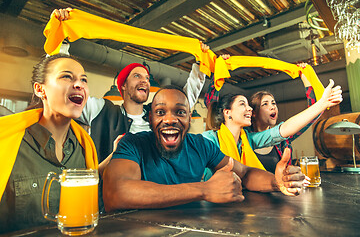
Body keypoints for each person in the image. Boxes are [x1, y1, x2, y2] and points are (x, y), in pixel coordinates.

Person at [102, 85, 308, 212]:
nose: (170, 119)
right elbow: (115, 193)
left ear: (189, 118)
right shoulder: (133, 144)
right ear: (150, 118)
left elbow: (244, 173)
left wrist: (276, 181)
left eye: (180, 112)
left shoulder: (200, 145)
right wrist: (204, 190)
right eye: (160, 112)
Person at [52, 8, 209, 164]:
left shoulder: (155, 115)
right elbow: (63, 93)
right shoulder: (102, 110)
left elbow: (185, 99)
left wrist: (200, 64)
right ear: (124, 86)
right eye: (137, 76)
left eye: (147, 78)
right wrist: (62, 40)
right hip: (110, 187)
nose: (144, 81)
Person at [0, 54, 98, 233]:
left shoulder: (86, 148)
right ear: (40, 89)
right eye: (66, 76)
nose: (79, 84)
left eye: (84, 79)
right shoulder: (7, 146)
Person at [201, 79, 342, 179]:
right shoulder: (208, 139)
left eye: (273, 103)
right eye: (242, 104)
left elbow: (284, 128)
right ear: (227, 112)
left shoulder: (248, 140)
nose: (249, 108)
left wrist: (323, 104)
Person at [249, 63, 318, 172]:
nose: (272, 107)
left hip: (281, 188)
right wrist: (219, 70)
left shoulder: (283, 135)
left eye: (273, 103)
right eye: (265, 104)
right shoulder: (243, 137)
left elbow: (312, 114)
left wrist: (305, 77)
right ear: (253, 113)